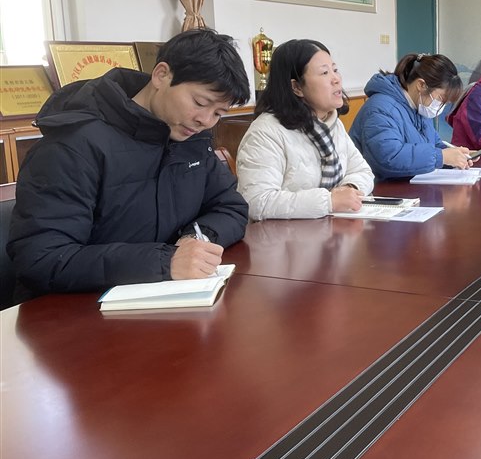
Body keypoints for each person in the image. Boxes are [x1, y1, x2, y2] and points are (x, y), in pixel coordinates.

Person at [7, 28, 251, 297]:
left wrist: (195, 238)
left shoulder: (191, 139)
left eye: (218, 113)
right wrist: (165, 261)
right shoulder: (73, 145)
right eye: (200, 102)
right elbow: (41, 258)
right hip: (72, 309)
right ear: (161, 75)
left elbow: (230, 207)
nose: (205, 120)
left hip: (160, 298)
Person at [235, 39, 374, 220]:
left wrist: (349, 189)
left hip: (330, 228)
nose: (336, 79)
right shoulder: (266, 132)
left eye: (335, 69)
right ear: (296, 87)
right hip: (282, 236)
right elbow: (256, 201)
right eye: (324, 72)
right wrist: (329, 201)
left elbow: (362, 171)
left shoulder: (331, 123)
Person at [349, 53, 470, 179]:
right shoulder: (380, 108)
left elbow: (434, 144)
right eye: (440, 98)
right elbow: (388, 157)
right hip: (380, 187)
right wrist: (441, 157)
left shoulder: (419, 107)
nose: (440, 106)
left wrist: (457, 155)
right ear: (421, 85)